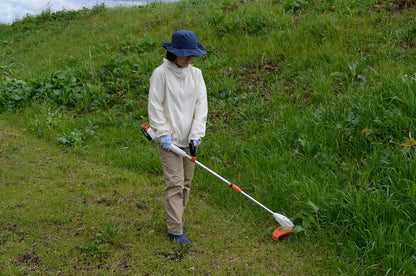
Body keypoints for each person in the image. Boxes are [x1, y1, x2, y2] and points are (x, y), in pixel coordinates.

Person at [147, 30, 208, 245]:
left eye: (192, 55)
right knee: (175, 183)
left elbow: (201, 105)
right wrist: (163, 134)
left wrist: (196, 135)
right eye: (185, 55)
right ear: (173, 53)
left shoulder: (196, 74)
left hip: (189, 140)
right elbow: (155, 105)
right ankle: (175, 230)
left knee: (186, 183)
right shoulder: (160, 74)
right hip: (169, 142)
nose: (189, 59)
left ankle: (177, 219)